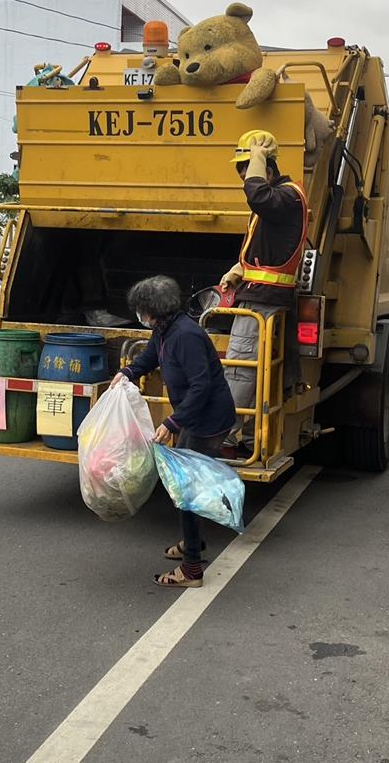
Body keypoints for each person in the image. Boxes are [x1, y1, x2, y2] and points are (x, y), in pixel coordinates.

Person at [110, 275, 236, 589]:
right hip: (194, 417)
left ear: (153, 309)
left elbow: (201, 386)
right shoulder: (164, 330)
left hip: (207, 420)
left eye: (141, 309)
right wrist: (126, 373)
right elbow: (149, 357)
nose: (139, 315)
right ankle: (194, 542)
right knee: (187, 487)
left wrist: (172, 423)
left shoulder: (186, 336)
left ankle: (191, 568)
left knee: (186, 492)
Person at [220, 130, 308, 458]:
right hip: (260, 295)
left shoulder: (286, 196)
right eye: (240, 168)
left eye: (248, 166)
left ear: (267, 167)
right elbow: (269, 250)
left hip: (263, 301)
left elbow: (257, 196)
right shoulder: (280, 201)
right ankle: (241, 435)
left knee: (241, 369)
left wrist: (258, 157)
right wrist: (238, 271)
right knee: (250, 369)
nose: (243, 174)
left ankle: (224, 439)